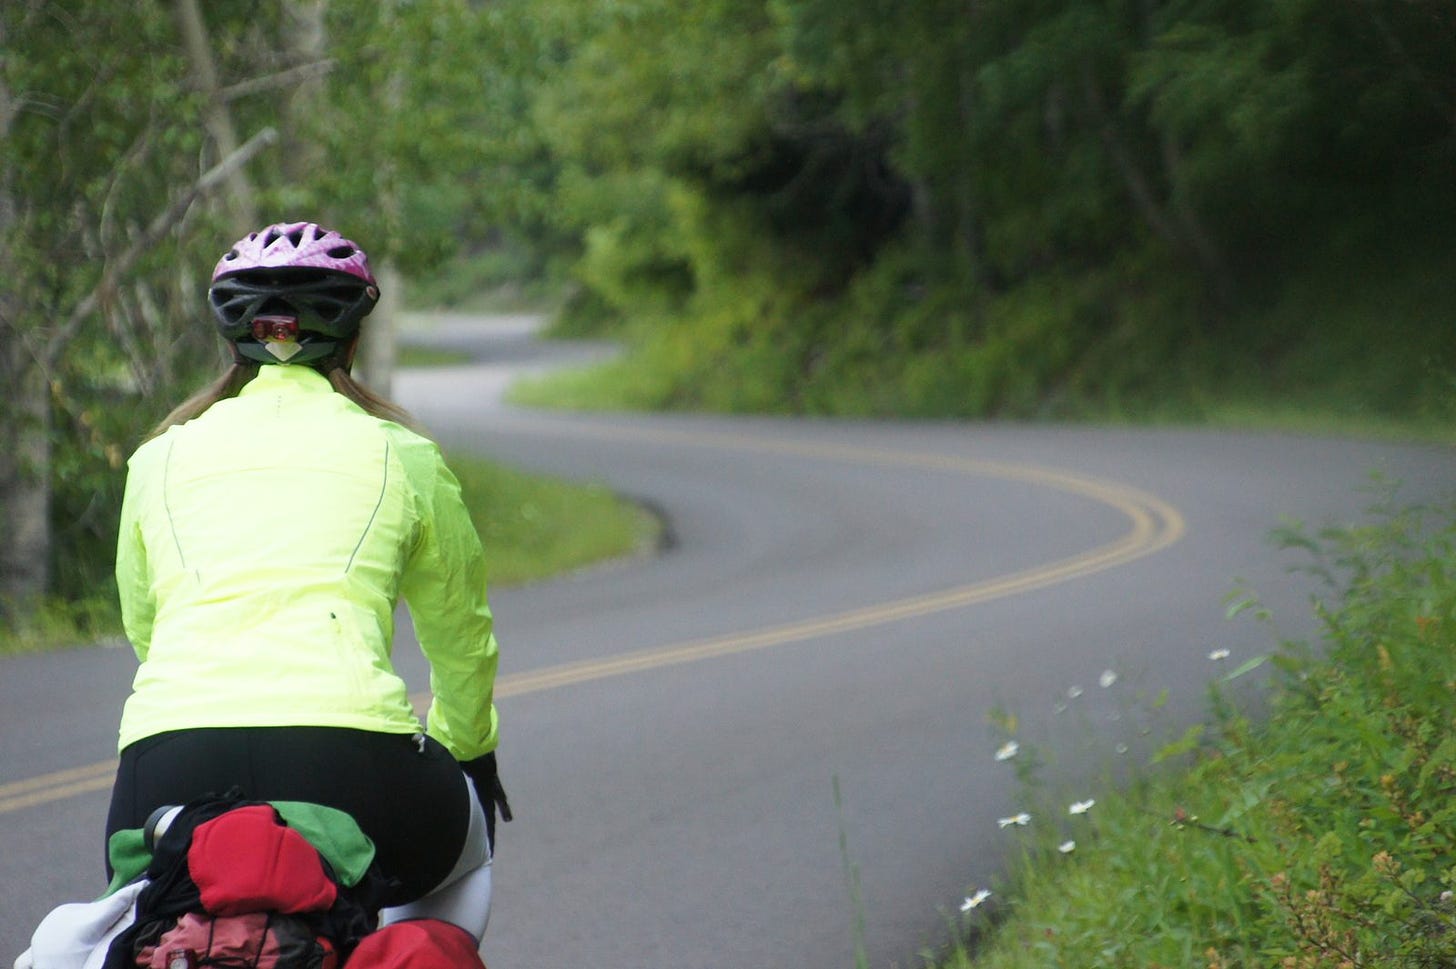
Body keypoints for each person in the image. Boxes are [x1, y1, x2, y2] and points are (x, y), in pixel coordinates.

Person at [105, 220, 508, 942]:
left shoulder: (156, 459)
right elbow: (460, 636)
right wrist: (469, 752)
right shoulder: (404, 454)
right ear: (352, 339)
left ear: (232, 341)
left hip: (166, 762)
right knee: (465, 860)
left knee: (142, 926)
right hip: (353, 759)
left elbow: (148, 627)